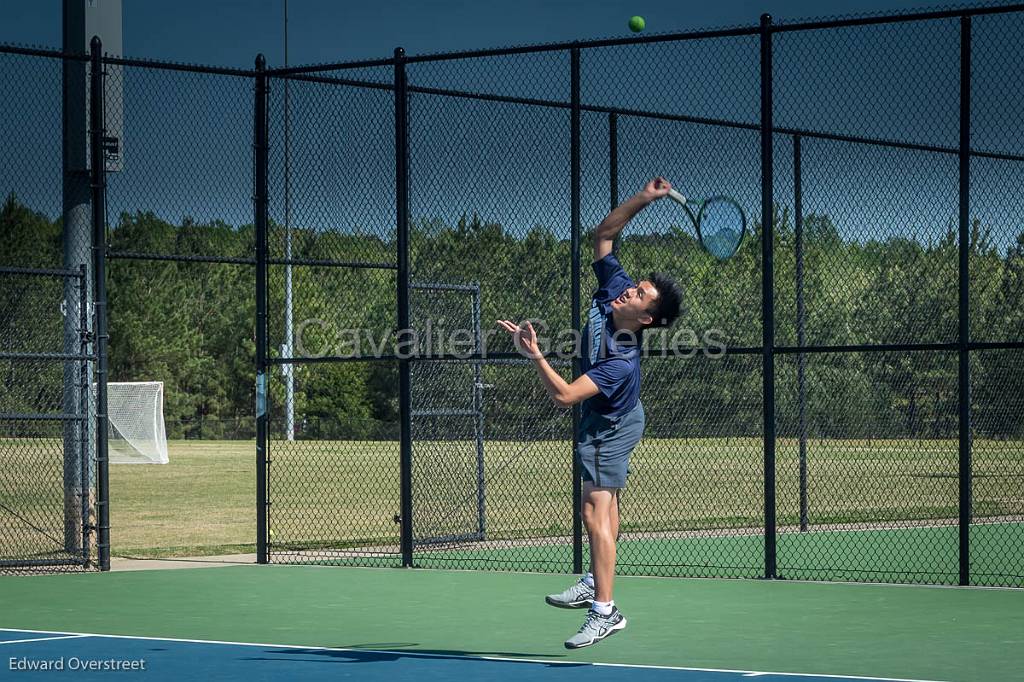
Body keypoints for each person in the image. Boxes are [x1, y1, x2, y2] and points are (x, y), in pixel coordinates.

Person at [498, 177, 684, 649]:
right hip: (614, 418)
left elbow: (563, 396)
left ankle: (606, 610)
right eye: (635, 286)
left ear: (645, 319)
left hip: (610, 426)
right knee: (600, 507)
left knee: (595, 511)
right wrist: (645, 197)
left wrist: (532, 352)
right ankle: (596, 584)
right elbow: (603, 236)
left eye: (640, 295)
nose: (629, 292)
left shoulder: (622, 359)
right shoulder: (613, 291)